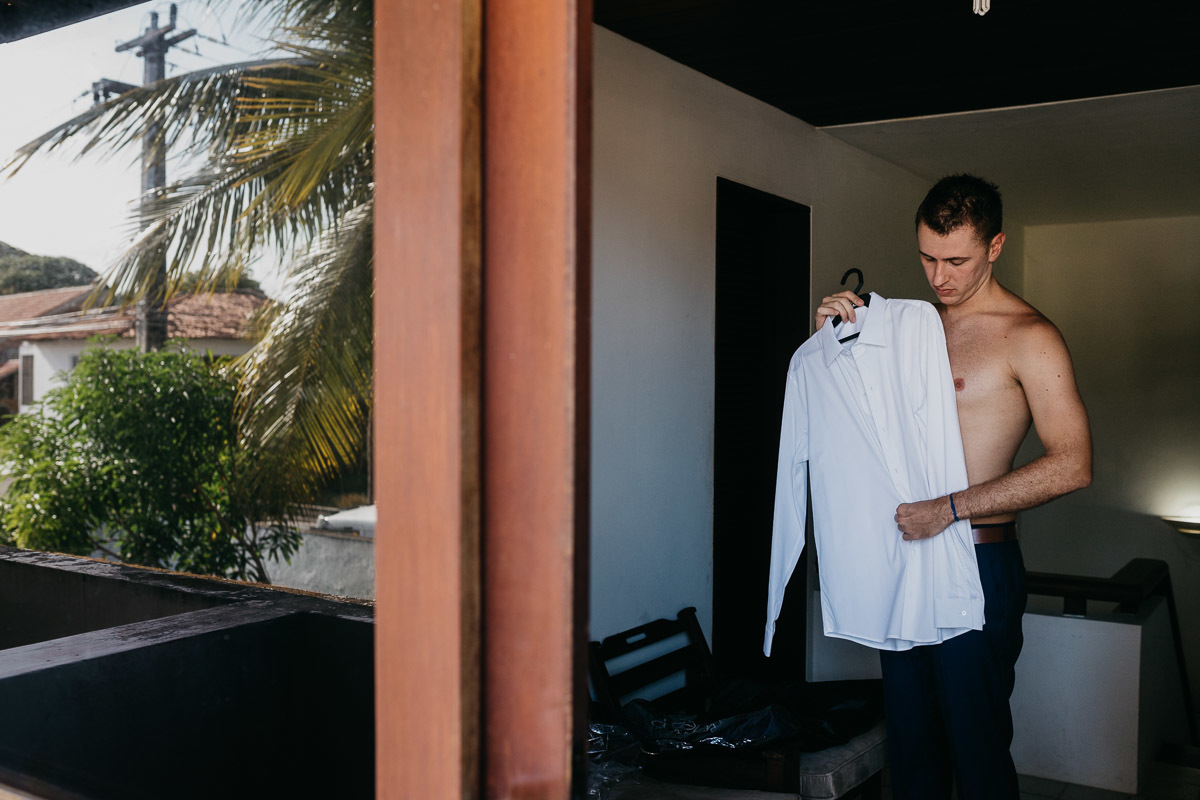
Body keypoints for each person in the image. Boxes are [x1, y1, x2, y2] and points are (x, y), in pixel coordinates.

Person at [814, 174, 1092, 800]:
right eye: (928, 257)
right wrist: (833, 342)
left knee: (977, 747)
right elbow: (853, 428)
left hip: (977, 556)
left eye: (957, 260)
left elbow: (1073, 463)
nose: (939, 276)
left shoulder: (1029, 336)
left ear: (994, 246)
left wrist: (948, 509)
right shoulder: (904, 330)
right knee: (910, 747)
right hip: (904, 561)